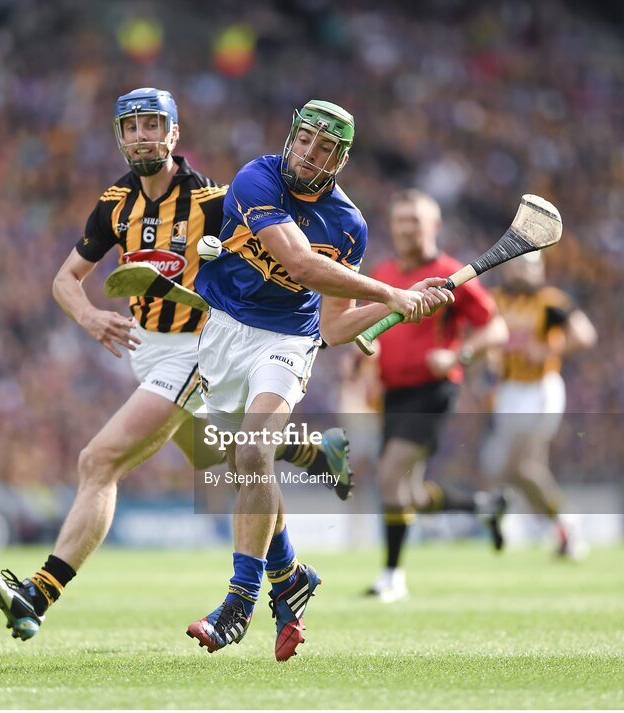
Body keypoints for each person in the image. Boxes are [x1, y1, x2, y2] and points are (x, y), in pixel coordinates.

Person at [0, 88, 354, 642]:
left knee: (98, 460)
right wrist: (89, 318)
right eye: (131, 128)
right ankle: (299, 528)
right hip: (148, 351)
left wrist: (319, 319)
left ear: (174, 133)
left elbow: (279, 257)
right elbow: (64, 280)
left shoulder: (214, 200)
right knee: (231, 465)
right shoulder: (114, 203)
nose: (142, 136)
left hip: (197, 349)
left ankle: (38, 593)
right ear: (119, 137)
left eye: (153, 125)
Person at [187, 100, 453, 660]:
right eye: (305, 139)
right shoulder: (255, 178)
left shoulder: (349, 224)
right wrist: (392, 294)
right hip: (222, 329)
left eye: (325, 147)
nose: (310, 153)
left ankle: (240, 601)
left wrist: (406, 307)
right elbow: (302, 264)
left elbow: (331, 328)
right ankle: (289, 576)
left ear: (342, 159)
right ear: (292, 137)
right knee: (239, 466)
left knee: (254, 457)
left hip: (286, 342)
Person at [363, 189, 510, 603]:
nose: (407, 228)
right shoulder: (384, 271)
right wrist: (367, 360)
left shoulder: (452, 274)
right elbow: (373, 330)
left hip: (432, 391)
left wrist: (458, 354)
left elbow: (495, 329)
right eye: (401, 220)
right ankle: (483, 506)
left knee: (390, 474)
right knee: (408, 494)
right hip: (392, 393)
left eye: (416, 220)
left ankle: (392, 576)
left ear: (435, 226)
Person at [480, 251, 597, 559]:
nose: (522, 272)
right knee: (523, 471)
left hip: (539, 389)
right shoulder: (494, 300)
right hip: (508, 391)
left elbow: (584, 335)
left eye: (529, 267)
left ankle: (566, 521)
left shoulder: (550, 301)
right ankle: (562, 528)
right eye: (517, 266)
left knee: (520, 467)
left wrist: (547, 349)